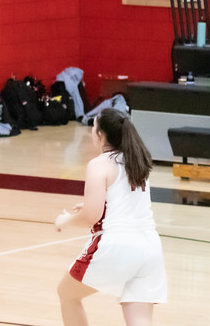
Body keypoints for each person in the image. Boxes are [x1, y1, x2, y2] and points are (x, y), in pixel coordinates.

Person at [54, 108, 167, 326]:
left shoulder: (100, 163)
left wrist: (65, 221)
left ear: (101, 134)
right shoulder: (137, 159)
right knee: (139, 322)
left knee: (67, 294)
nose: (91, 133)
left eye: (93, 128)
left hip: (117, 246)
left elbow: (91, 215)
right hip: (150, 247)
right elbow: (123, 201)